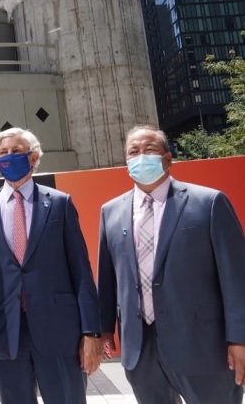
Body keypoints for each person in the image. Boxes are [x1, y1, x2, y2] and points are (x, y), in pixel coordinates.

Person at [97, 124, 245, 404]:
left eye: (149, 149)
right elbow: (107, 279)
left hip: (203, 347)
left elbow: (236, 278)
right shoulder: (111, 212)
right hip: (141, 349)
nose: (141, 156)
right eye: (133, 151)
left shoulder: (208, 203)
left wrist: (240, 339)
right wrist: (104, 329)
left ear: (167, 158)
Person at [0, 127, 103, 404]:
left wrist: (91, 332)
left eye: (16, 151)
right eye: (3, 153)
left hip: (60, 333)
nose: (8, 157)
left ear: (33, 157)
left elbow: (81, 271)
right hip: (5, 336)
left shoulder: (59, 204)